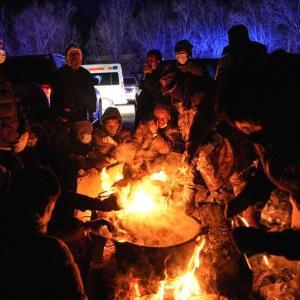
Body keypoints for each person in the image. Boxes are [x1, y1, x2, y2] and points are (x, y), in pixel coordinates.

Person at [218, 50, 300, 260]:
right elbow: (272, 168)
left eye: (247, 127)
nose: (246, 135)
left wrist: (266, 243)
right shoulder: (270, 136)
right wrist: (244, 199)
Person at [0, 165, 88, 299]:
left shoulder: (8, 229)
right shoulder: (55, 251)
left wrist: (87, 228)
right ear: (47, 208)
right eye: (52, 209)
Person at [0, 39, 29, 172]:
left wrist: (26, 132)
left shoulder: (4, 76)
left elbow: (18, 106)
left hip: (13, 145)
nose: (1, 52)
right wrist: (16, 138)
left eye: (1, 48)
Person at [51, 43, 97, 123]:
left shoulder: (85, 73)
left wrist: (91, 112)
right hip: (64, 115)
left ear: (80, 57)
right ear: (68, 57)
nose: (75, 56)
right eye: (72, 54)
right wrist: (56, 113)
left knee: (83, 134)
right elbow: (55, 94)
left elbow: (91, 94)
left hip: (81, 115)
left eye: (77, 54)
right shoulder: (60, 73)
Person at [135, 50, 166, 126]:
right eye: (148, 60)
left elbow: (155, 91)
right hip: (143, 108)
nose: (149, 62)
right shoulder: (148, 72)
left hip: (152, 109)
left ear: (158, 61)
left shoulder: (162, 73)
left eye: (152, 60)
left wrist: (148, 74)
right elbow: (142, 86)